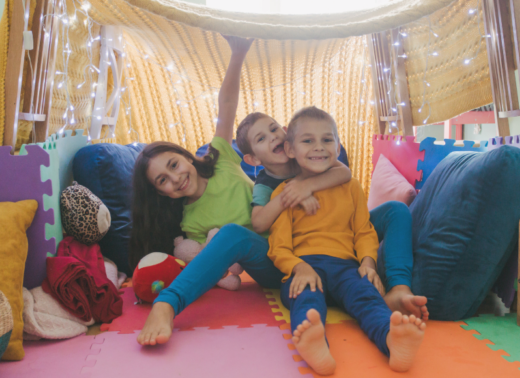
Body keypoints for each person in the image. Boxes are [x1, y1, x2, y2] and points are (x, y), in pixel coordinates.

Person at [134, 36, 425, 347]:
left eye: (175, 165)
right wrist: (291, 193)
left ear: (287, 138)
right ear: (253, 159)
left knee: (395, 210)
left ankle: (398, 288)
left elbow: (345, 172)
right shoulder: (258, 187)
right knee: (230, 234)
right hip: (279, 257)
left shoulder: (250, 159)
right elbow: (255, 227)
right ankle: (169, 303)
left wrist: (306, 185)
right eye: (163, 180)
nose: (175, 178)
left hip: (334, 246)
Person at [268, 106, 425, 374]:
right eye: (308, 140)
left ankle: (392, 340)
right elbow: (278, 247)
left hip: (346, 268)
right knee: (305, 300)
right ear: (290, 149)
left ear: (338, 146)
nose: (319, 147)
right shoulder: (285, 193)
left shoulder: (351, 187)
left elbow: (363, 231)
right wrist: (299, 268)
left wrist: (368, 263)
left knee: (368, 297)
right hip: (305, 267)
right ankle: (315, 347)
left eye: (327, 140)